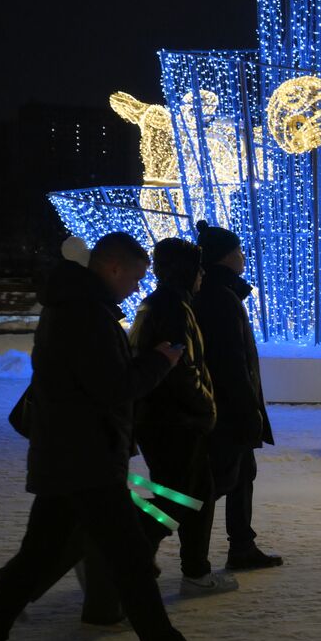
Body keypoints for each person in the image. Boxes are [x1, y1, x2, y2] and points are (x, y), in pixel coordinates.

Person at [0, 232, 234, 641]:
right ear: (113, 268)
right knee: (130, 562)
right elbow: (113, 387)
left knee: (37, 562)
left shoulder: (75, 306)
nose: (136, 288)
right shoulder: (85, 314)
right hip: (86, 459)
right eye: (136, 277)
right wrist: (161, 361)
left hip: (71, 457)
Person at [130, 238, 237, 595]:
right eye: (199, 268)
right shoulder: (174, 307)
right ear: (187, 271)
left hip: (163, 420)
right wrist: (205, 407)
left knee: (196, 493)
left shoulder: (160, 303)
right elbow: (182, 368)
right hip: (174, 422)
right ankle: (126, 554)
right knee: (179, 497)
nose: (203, 275)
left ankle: (194, 569)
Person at [192, 221, 283, 571]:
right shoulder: (222, 298)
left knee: (240, 474)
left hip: (224, 407)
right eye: (239, 252)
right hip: (228, 410)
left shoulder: (214, 293)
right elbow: (232, 362)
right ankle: (154, 533)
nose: (243, 257)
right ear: (228, 257)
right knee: (219, 480)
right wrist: (248, 409)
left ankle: (242, 545)